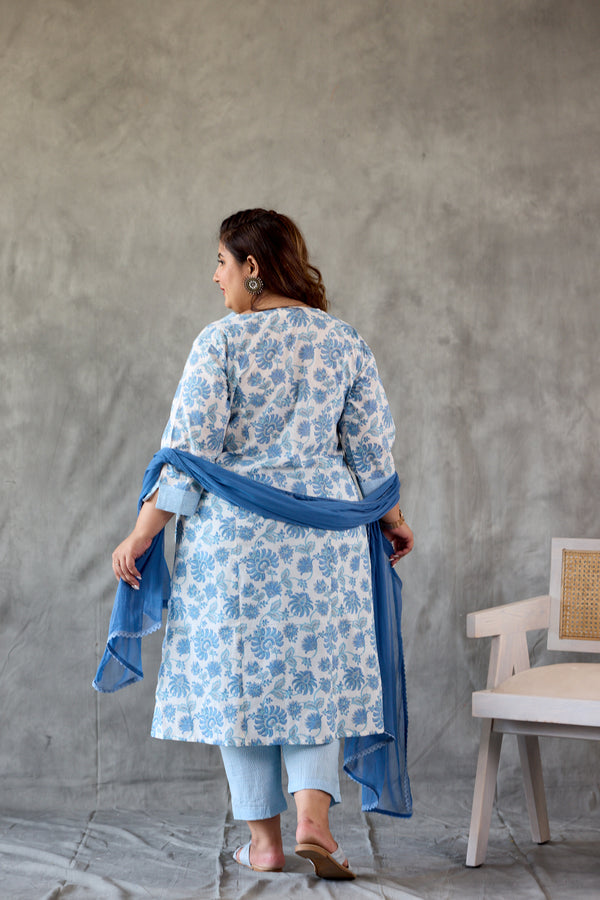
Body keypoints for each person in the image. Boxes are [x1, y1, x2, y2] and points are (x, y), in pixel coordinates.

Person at [110, 209, 414, 880]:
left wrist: (141, 533)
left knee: (239, 682)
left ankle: (265, 844)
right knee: (316, 676)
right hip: (328, 538)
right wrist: (392, 518)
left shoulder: (221, 342)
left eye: (221, 261)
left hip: (235, 542)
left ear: (252, 266)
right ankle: (316, 823)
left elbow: (188, 456)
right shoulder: (343, 340)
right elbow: (371, 450)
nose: (215, 276)